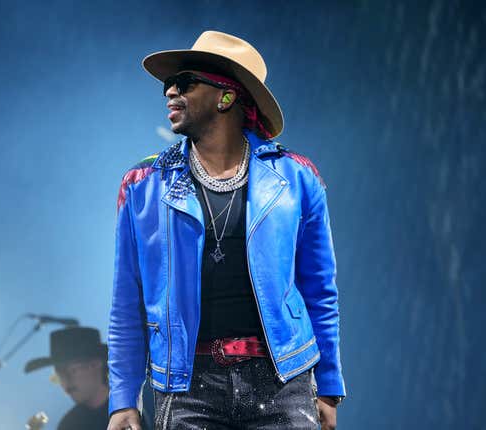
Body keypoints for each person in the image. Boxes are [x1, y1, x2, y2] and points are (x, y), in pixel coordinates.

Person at [107, 30, 346, 430]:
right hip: (186, 386)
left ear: (226, 96)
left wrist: (328, 384)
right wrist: (122, 399)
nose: (169, 92)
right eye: (168, 84)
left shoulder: (298, 178)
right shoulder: (143, 184)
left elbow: (320, 289)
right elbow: (126, 302)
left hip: (283, 381)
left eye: (184, 83)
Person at [25, 327, 109, 430]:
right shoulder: (70, 425)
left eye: (72, 370)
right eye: (59, 374)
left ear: (96, 364)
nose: (66, 381)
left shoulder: (130, 406)